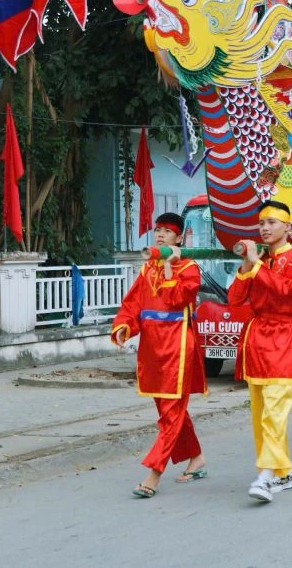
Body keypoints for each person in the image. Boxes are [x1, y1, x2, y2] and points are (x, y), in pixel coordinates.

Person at [111, 213, 208, 499]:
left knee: (170, 414)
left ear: (179, 238)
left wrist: (169, 267)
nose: (161, 235)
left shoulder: (189, 268)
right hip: (152, 347)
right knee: (169, 410)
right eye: (157, 230)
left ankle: (154, 473)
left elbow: (177, 299)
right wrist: (124, 326)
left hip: (178, 345)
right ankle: (196, 457)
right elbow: (133, 303)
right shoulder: (146, 269)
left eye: (167, 231)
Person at [228, 201, 292, 503]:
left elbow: (284, 291)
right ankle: (284, 472)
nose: (264, 228)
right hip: (256, 339)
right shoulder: (259, 258)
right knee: (260, 413)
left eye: (272, 222)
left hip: (281, 337)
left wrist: (257, 264)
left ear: (287, 227)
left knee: (275, 412)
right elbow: (235, 299)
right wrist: (247, 267)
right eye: (261, 222)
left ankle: (265, 475)